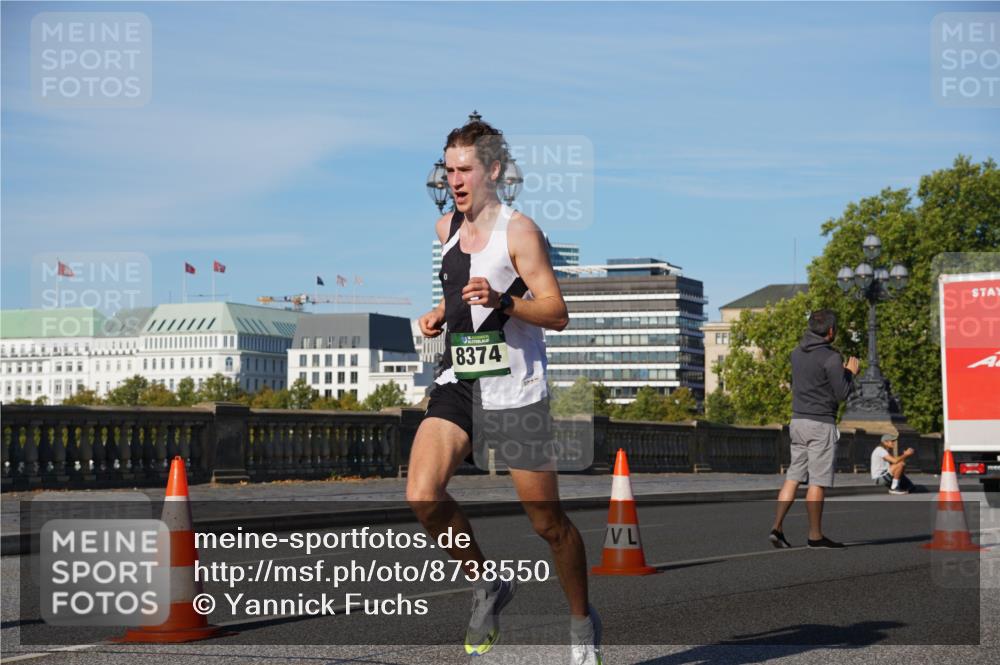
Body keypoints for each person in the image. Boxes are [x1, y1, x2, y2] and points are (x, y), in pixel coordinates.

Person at [408, 119, 602, 665]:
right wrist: (439, 315)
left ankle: (582, 626)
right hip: (460, 381)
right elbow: (460, 297)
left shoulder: (520, 232)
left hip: (515, 388)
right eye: (448, 170)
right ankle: (488, 585)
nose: (454, 180)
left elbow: (557, 313)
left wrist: (503, 301)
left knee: (548, 525)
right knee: (423, 495)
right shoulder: (445, 226)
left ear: (493, 170)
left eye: (465, 169)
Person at [769, 309, 859, 549]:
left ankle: (777, 527)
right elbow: (842, 393)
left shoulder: (796, 353)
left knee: (793, 476)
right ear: (830, 332)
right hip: (821, 423)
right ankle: (815, 535)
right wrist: (850, 372)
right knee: (817, 481)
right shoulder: (831, 357)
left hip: (797, 421)